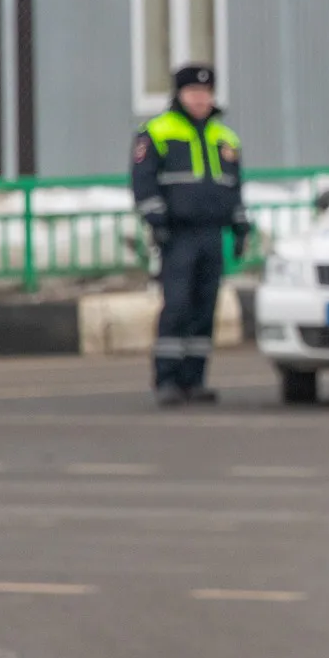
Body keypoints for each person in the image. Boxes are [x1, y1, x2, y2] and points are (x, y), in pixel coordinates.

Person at [131, 64, 250, 407]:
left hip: (212, 233)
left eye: (206, 92)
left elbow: (234, 189)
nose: (200, 99)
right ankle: (166, 379)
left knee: (204, 308)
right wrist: (156, 219)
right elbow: (143, 181)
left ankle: (195, 380)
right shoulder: (157, 131)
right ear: (179, 95)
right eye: (193, 93)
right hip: (178, 235)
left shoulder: (225, 138)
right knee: (178, 306)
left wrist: (240, 226)